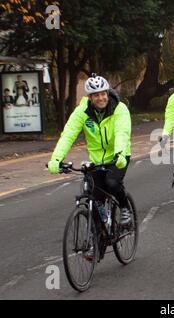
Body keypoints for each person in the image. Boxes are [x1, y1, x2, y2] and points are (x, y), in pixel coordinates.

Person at [47, 74, 132, 225]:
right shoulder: (82, 112)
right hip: (97, 160)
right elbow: (68, 135)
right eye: (96, 95)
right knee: (96, 196)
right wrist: (56, 159)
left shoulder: (119, 109)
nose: (101, 98)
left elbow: (122, 132)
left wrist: (119, 153)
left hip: (118, 156)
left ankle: (125, 207)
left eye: (103, 94)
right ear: (90, 98)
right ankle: (99, 235)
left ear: (107, 93)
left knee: (112, 183)